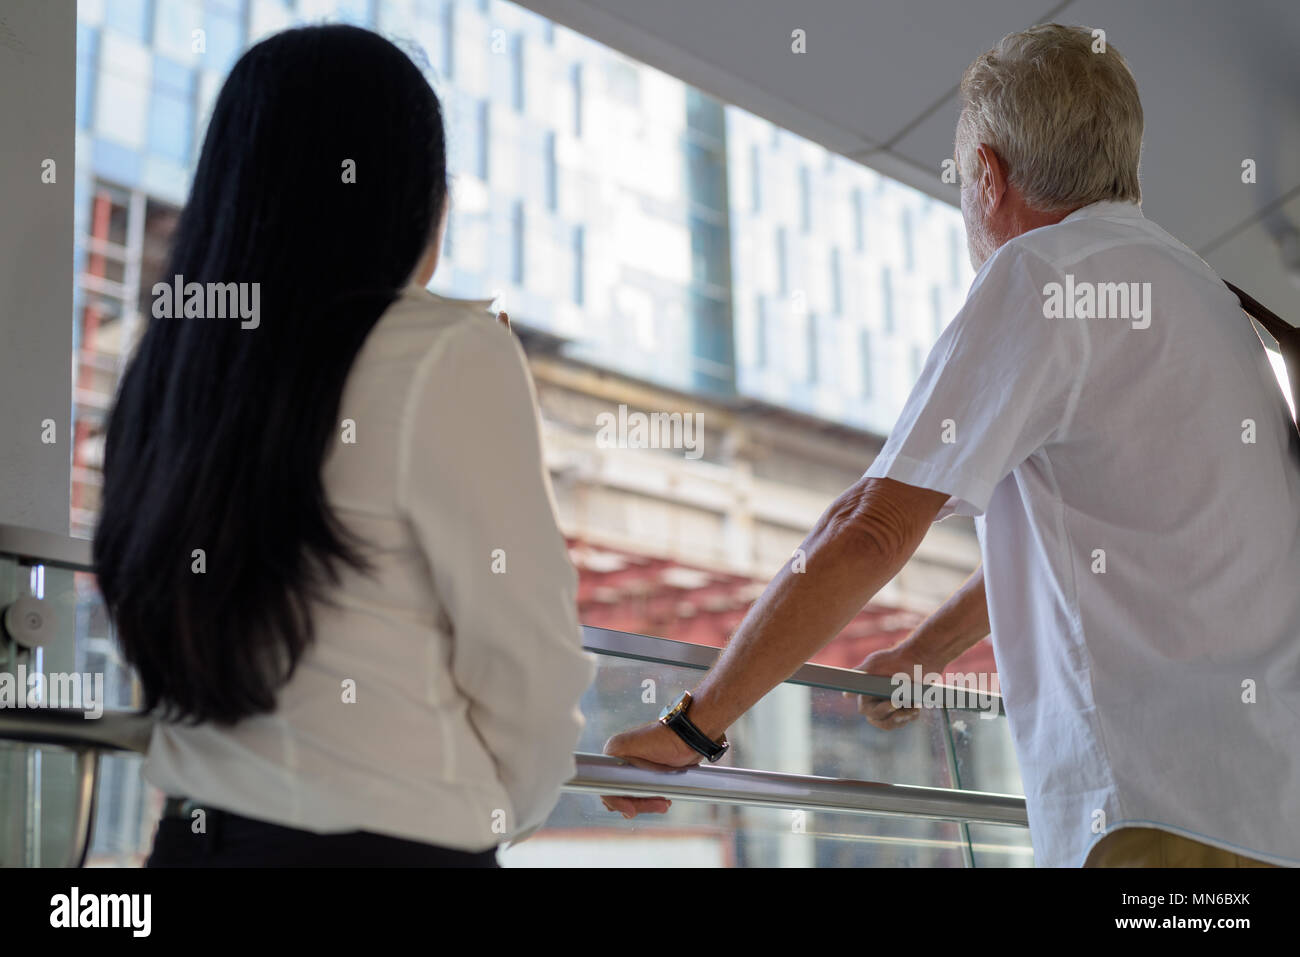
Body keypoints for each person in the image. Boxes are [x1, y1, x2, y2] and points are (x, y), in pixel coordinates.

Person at [602, 23, 1300, 868]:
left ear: (987, 176)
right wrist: (928, 651)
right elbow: (1100, 538)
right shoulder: (1207, 297)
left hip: (1155, 820)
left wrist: (693, 725)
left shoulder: (1043, 273)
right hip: (1265, 815)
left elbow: (871, 528)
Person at [93, 24, 594, 867]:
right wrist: (498, 810)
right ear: (403, 194)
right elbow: (525, 656)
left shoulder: (170, 364)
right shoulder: (447, 348)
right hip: (393, 841)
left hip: (194, 841)